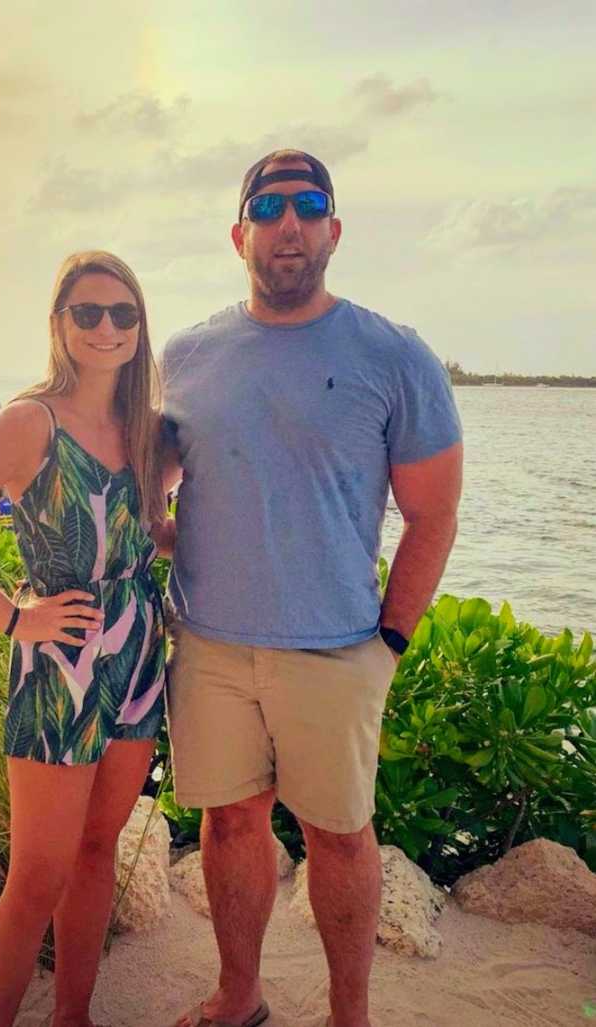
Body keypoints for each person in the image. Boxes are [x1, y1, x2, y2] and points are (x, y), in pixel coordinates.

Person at [160, 150, 463, 1027]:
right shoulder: (187, 354)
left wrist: (389, 643)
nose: (288, 222)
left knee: (339, 837)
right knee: (228, 827)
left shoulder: (395, 355)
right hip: (212, 645)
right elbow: (157, 485)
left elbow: (433, 514)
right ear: (238, 233)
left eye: (308, 204)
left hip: (335, 650)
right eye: (269, 206)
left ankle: (349, 1015)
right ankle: (240, 997)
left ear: (334, 229)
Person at [0, 251, 172, 1027]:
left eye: (122, 313)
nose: (106, 327)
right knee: (37, 876)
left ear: (139, 325)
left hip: (138, 663)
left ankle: (73, 1016)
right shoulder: (31, 423)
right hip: (60, 667)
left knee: (96, 855)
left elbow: (150, 528)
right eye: (87, 312)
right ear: (59, 323)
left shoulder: (149, 432)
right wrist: (16, 618)